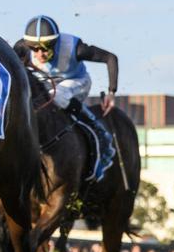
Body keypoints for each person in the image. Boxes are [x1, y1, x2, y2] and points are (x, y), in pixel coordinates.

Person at [19, 15, 118, 181]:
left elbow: (110, 58)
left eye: (45, 48)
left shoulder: (75, 47)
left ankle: (91, 123)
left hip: (76, 82)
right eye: (34, 49)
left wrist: (111, 92)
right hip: (45, 84)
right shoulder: (21, 48)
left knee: (55, 96)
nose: (39, 53)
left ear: (55, 42)